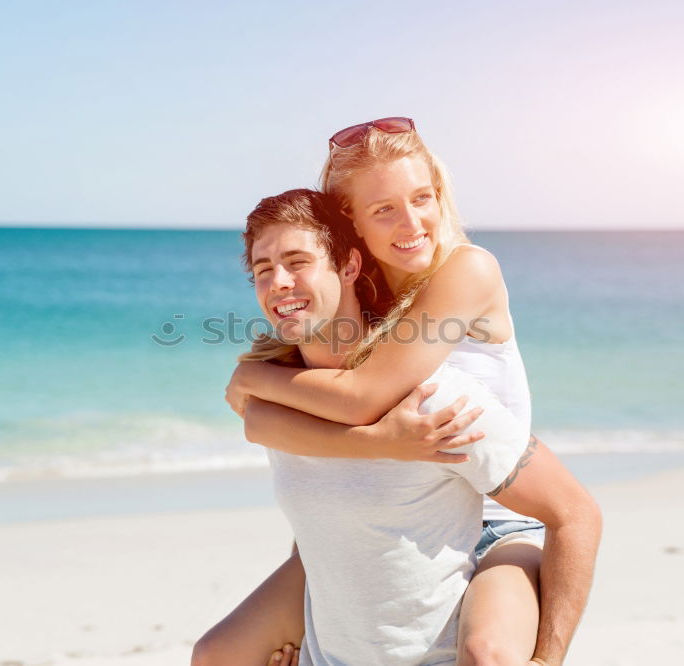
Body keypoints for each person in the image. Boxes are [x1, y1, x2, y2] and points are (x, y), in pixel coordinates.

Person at [192, 188, 601, 665]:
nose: (278, 282)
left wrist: (547, 660)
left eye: (297, 261)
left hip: (477, 579)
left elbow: (576, 514)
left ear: (347, 267)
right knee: (216, 656)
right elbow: (321, 514)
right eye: (263, 271)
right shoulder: (278, 398)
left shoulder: (435, 401)